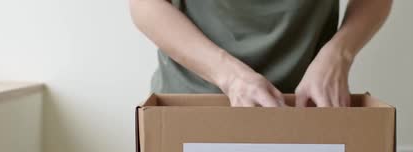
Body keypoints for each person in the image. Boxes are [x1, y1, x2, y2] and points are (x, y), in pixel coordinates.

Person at [129, 0, 392, 107]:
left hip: (307, 105)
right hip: (194, 104)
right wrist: (231, 77)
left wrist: (339, 54)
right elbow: (145, 4)